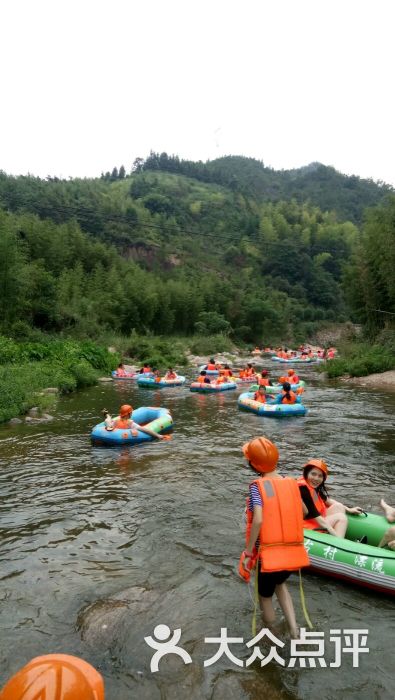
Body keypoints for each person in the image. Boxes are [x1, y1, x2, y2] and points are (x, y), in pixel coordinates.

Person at [240, 437, 310, 639]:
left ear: (253, 464)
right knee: (281, 585)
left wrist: (248, 551)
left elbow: (259, 519)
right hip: (292, 554)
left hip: (269, 555)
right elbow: (304, 511)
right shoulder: (290, 483)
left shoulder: (257, 487)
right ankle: (294, 631)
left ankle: (274, 637)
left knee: (264, 598)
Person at [298, 459, 363, 537]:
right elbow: (317, 517)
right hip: (306, 526)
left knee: (338, 506)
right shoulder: (303, 490)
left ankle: (336, 533)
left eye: (320, 476)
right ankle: (338, 543)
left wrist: (349, 509)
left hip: (314, 520)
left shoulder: (313, 486)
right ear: (306, 473)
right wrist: (337, 538)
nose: (316, 478)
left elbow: (327, 500)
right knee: (341, 518)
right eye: (313, 474)